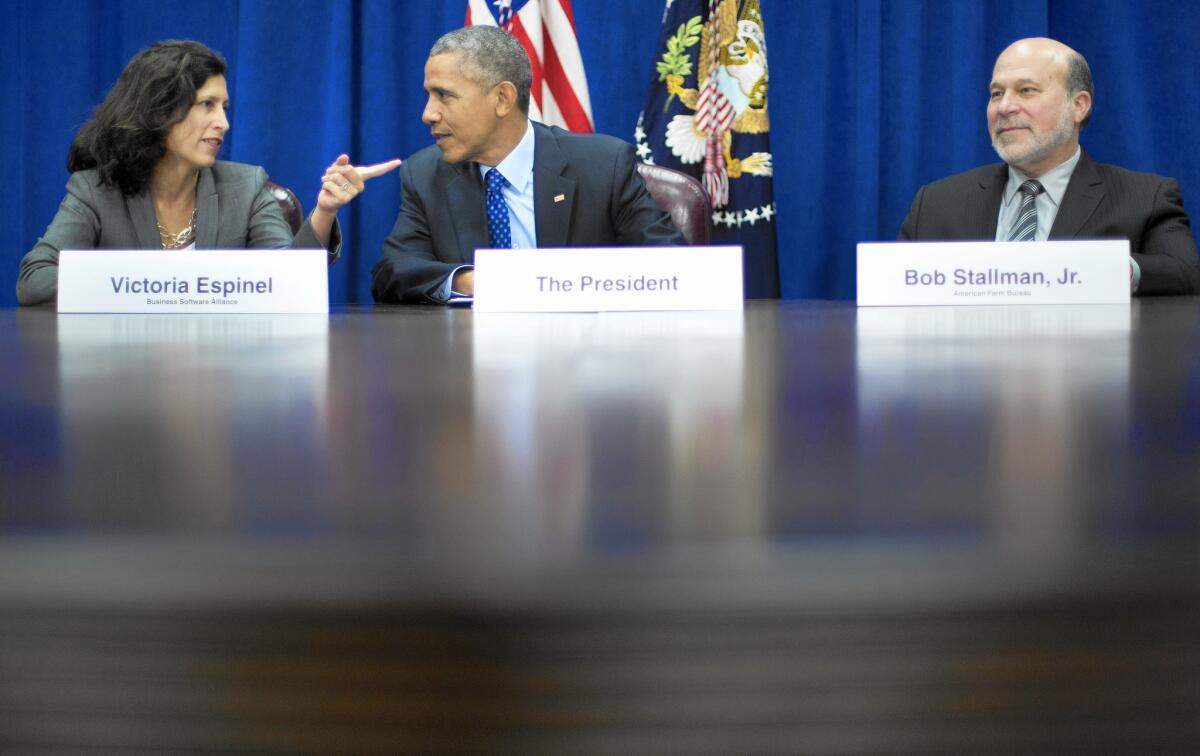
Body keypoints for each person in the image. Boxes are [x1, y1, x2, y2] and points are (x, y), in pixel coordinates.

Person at [16, 39, 400, 306]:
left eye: (225, 107)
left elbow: (288, 283)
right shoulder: (96, 191)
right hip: (124, 373)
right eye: (207, 105)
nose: (224, 123)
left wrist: (325, 211)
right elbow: (34, 280)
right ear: (160, 109)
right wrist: (141, 287)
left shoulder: (246, 186)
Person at [371, 25, 682, 305]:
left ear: (503, 99)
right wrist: (475, 282)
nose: (429, 114)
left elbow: (672, 264)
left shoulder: (603, 165)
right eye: (429, 95)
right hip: (472, 358)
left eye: (444, 96)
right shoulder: (425, 174)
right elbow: (393, 271)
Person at [898, 37, 1200, 296]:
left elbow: (1186, 274)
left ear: (1078, 105)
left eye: (1026, 90)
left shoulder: (1145, 197)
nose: (1005, 107)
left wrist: (1108, 271)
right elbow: (896, 289)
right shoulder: (936, 203)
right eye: (996, 93)